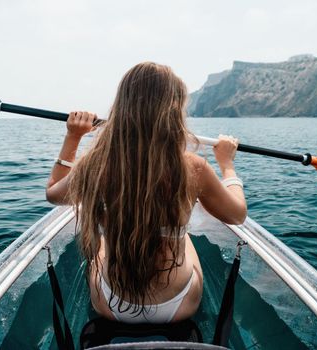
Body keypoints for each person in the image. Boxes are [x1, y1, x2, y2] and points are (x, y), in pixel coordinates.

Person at [46, 62, 247, 324]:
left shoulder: (96, 163)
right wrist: (227, 165)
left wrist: (73, 138)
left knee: (102, 244)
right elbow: (237, 214)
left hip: (111, 303)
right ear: (173, 111)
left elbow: (54, 194)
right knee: (183, 238)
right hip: (179, 305)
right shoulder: (192, 167)